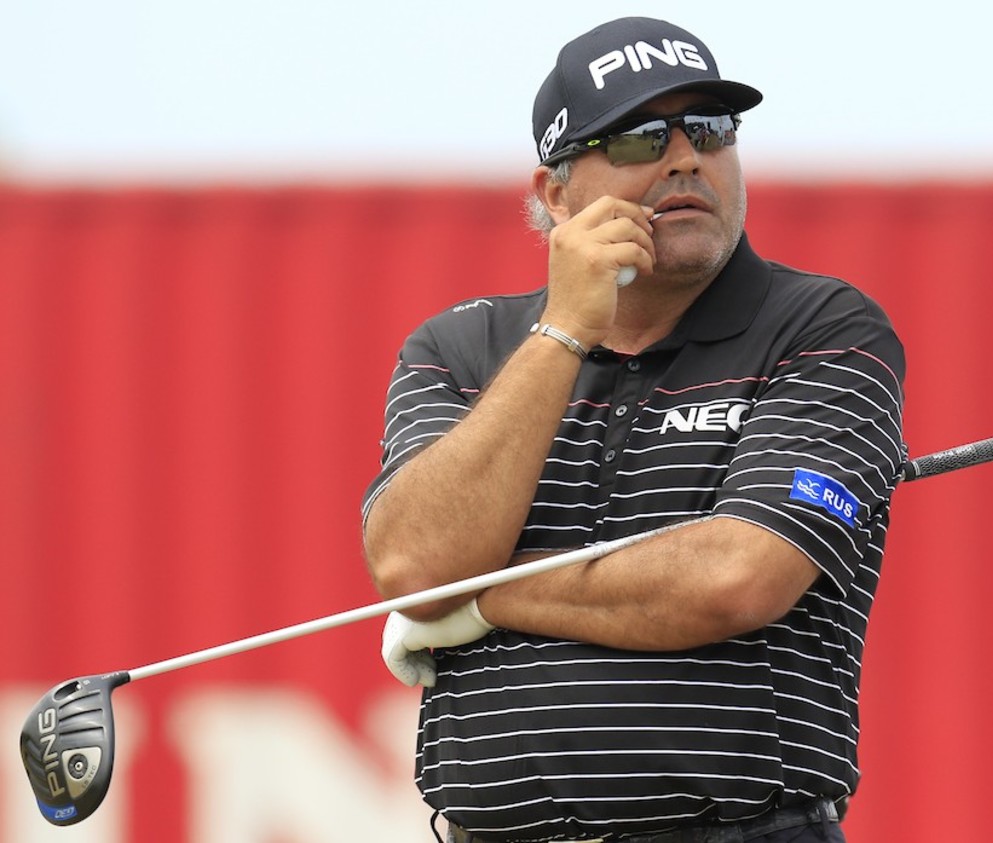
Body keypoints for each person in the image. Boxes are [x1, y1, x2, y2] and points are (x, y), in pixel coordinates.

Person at [362, 16, 905, 843]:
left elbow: (736, 576)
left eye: (712, 129)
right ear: (555, 194)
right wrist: (564, 331)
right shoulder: (461, 346)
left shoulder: (823, 326)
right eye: (640, 137)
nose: (686, 156)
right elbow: (413, 561)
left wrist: (483, 593)